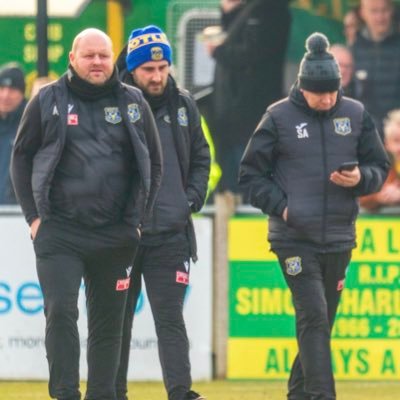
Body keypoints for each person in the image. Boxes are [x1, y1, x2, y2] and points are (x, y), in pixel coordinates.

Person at [10, 28, 162, 400]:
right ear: (73, 60)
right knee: (61, 312)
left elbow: (154, 165)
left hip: (116, 234)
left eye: (104, 55)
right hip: (59, 231)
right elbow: (20, 158)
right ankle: (64, 393)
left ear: (114, 60)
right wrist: (34, 218)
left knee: (109, 325)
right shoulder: (47, 99)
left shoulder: (133, 101)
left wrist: (139, 220)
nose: (97, 62)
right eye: (89, 55)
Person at [239, 32, 389, 400]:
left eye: (332, 91)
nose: (327, 98)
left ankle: (298, 394)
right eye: (319, 91)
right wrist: (283, 207)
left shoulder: (355, 114)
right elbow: (249, 176)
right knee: (314, 319)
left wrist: (360, 180)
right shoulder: (277, 117)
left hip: (339, 237)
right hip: (292, 239)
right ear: (302, 87)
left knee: (320, 326)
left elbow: (379, 167)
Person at [116, 25, 210, 400]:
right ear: (133, 69)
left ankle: (180, 392)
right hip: (121, 235)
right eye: (148, 69)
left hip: (170, 234)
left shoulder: (185, 104)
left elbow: (202, 157)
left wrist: (189, 199)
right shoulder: (113, 103)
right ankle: (111, 392)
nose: (157, 76)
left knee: (170, 320)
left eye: (162, 67)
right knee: (116, 323)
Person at [205, 0, 291, 193]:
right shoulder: (251, 10)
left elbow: (253, 53)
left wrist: (219, 51)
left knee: (247, 176)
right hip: (231, 113)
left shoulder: (270, 9)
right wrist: (229, 12)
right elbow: (235, 36)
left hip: (250, 112)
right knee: (231, 178)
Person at [351, 0, 400, 135]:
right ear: (362, 13)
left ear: (392, 10)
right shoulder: (353, 49)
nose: (380, 17)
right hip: (366, 133)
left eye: (384, 10)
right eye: (374, 11)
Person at [360, 109, 400, 210]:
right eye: (396, 140)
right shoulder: (379, 167)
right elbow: (359, 197)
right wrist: (379, 197)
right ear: (387, 144)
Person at [0, 63, 26, 204]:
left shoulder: (32, 125)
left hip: (19, 215)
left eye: (12, 89)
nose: (5, 95)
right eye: (2, 88)